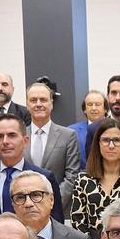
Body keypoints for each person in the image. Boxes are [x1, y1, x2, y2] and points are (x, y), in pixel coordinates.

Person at [22, 82, 81, 213]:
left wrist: (52, 202)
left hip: (57, 209)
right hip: (24, 209)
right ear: (27, 105)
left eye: (43, 100)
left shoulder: (68, 135)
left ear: (51, 103)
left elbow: (72, 175)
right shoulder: (19, 136)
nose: (38, 104)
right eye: (33, 100)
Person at [68, 90, 107, 169]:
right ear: (84, 109)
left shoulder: (115, 129)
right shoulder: (71, 131)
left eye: (97, 104)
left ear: (105, 109)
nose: (93, 108)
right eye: (89, 105)